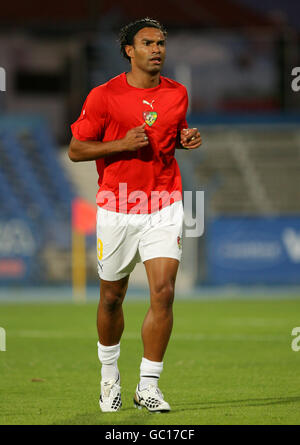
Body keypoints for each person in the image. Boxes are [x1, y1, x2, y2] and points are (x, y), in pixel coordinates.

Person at [69, 17, 202, 413]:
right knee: (112, 297)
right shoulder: (103, 96)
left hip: (164, 202)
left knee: (164, 292)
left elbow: (172, 135)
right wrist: (120, 144)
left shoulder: (177, 94)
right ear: (129, 50)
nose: (158, 49)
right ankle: (109, 379)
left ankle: (149, 385)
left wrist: (186, 138)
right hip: (118, 205)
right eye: (148, 43)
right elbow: (77, 149)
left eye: (161, 43)